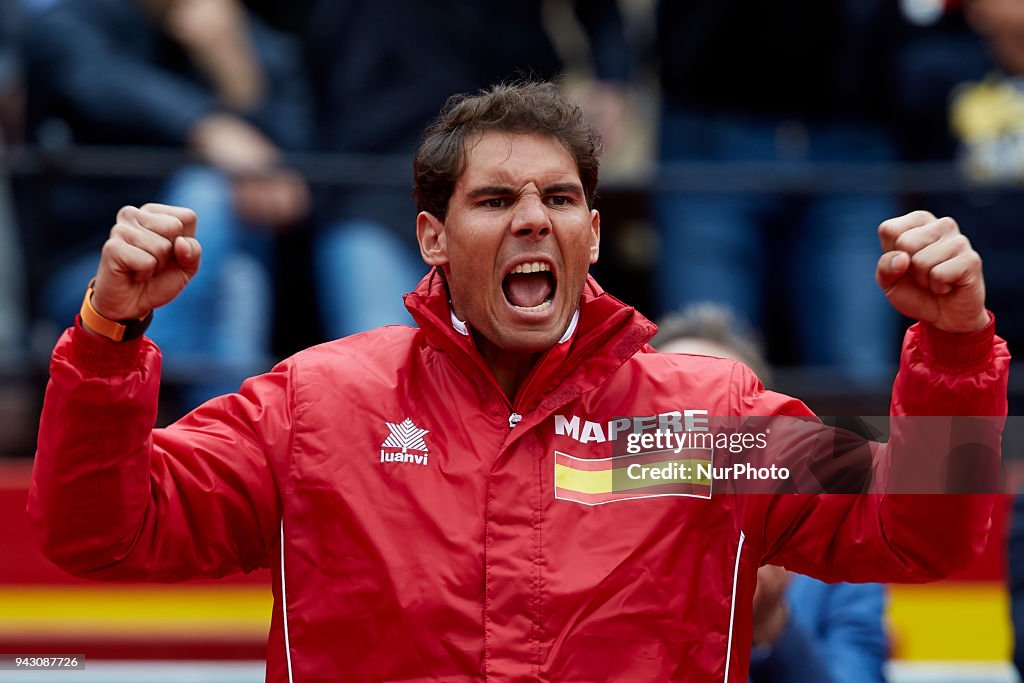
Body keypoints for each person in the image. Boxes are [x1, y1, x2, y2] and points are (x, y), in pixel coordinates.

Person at [31, 82, 1007, 682]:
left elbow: (924, 529)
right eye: (494, 199)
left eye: (562, 197)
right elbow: (97, 531)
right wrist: (110, 333)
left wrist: (956, 346)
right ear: (431, 237)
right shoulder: (313, 403)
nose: (533, 218)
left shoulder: (706, 419)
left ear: (591, 232)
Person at [19, 0, 312, 405]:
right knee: (208, 193)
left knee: (240, 285)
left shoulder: (242, 35)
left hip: (216, 272)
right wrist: (207, 128)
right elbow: (101, 82)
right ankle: (152, 378)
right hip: (88, 273)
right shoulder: (72, 21)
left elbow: (288, 182)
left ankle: (197, 434)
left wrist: (237, 73)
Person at [654, 305, 887, 683]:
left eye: (718, 410)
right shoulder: (589, 542)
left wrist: (769, 627)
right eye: (671, 409)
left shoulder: (838, 560)